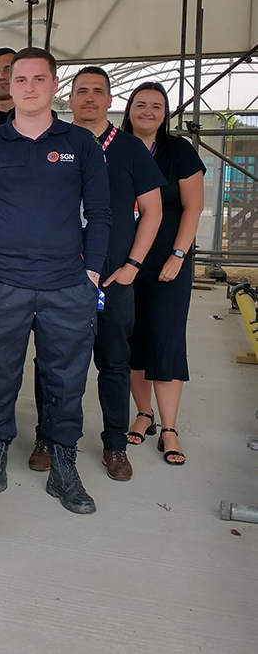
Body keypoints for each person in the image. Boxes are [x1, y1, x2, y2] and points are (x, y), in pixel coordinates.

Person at [0, 47, 111, 514]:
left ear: (53, 85)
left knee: (65, 380)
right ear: (9, 85)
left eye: (37, 79)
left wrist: (92, 273)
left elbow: (101, 215)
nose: (27, 87)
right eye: (19, 79)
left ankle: (63, 464)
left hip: (67, 285)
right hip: (1, 283)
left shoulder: (80, 144)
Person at [28, 67, 165, 480]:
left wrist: (132, 266)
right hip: (59, 274)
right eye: (81, 91)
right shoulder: (52, 141)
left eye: (98, 92)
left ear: (110, 100)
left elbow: (154, 212)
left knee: (114, 361)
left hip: (111, 275)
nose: (89, 98)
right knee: (51, 361)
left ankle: (115, 445)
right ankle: (46, 437)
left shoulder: (129, 149)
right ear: (68, 97)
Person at [122, 82, 204, 466]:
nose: (148, 111)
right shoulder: (115, 147)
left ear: (165, 113)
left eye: (157, 106)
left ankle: (169, 428)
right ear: (129, 109)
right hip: (124, 260)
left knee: (166, 338)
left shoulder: (179, 152)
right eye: (141, 104)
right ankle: (144, 413)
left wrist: (177, 254)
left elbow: (193, 207)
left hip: (168, 260)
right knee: (133, 337)